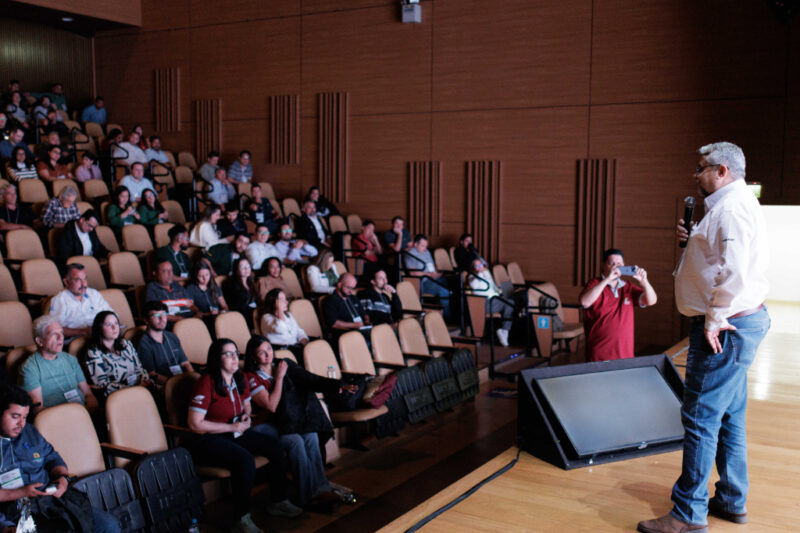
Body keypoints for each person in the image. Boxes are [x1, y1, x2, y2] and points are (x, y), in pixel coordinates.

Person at [638, 142, 771, 533]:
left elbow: (736, 272)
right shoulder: (731, 206)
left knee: (699, 417)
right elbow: (720, 260)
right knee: (729, 417)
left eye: (702, 168)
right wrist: (693, 239)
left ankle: (687, 516)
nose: (696, 174)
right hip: (740, 323)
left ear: (723, 171)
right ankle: (731, 499)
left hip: (725, 328)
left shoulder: (730, 210)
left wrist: (713, 319)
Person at [187, 339, 302, 533]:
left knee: (275, 447)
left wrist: (246, 416)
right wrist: (231, 427)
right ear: (217, 358)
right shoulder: (206, 382)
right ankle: (240, 518)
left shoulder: (238, 377)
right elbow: (195, 424)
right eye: (228, 354)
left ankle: (278, 500)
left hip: (235, 432)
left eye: (235, 354)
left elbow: (247, 404)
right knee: (245, 460)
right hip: (207, 439)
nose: (234, 358)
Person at [0, 384, 120, 532]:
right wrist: (22, 492)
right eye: (15, 417)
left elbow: (52, 458)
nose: (21, 424)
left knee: (108, 525)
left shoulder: (29, 431)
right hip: (14, 511)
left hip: (50, 501)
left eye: (24, 417)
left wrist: (63, 478)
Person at [244, 337, 342, 507]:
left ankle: (322, 488)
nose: (268, 354)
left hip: (285, 422)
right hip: (264, 425)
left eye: (269, 348)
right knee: (295, 440)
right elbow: (271, 406)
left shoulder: (279, 366)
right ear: (253, 357)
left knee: (310, 435)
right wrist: (280, 378)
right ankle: (308, 495)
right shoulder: (252, 377)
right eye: (261, 352)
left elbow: (308, 379)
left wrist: (335, 385)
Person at [579, 248, 657, 362]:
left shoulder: (628, 287)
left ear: (624, 266)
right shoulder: (595, 284)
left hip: (624, 354)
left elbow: (651, 301)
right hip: (599, 354)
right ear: (604, 265)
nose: (616, 267)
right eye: (612, 264)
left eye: (619, 264)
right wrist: (607, 280)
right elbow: (584, 302)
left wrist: (644, 282)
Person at [19, 316, 99, 416]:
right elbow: (38, 410)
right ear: (40, 341)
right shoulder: (29, 369)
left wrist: (87, 411)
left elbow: (88, 394)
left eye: (61, 333)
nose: (61, 337)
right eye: (54, 334)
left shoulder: (71, 359)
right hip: (56, 420)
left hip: (84, 414)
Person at [85, 311, 151, 397]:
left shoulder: (126, 344)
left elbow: (139, 369)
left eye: (116, 323)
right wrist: (135, 389)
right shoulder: (93, 352)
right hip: (119, 396)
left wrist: (145, 380)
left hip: (141, 388)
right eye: (108, 325)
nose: (114, 327)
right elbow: (102, 385)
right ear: (99, 328)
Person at [48, 263, 114, 339]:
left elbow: (111, 315)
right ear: (66, 282)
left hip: (101, 336)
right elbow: (54, 329)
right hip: (77, 341)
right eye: (78, 280)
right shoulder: (60, 300)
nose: (84, 284)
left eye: (85, 279)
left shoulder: (94, 294)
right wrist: (84, 331)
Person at [137, 301, 194, 386]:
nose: (162, 319)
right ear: (146, 320)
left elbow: (185, 363)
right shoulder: (144, 344)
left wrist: (193, 378)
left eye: (164, 314)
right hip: (165, 386)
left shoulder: (172, 336)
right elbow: (152, 374)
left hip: (183, 379)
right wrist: (174, 385)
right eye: (156, 316)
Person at [468, 259, 515, 347]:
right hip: (484, 303)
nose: (479, 267)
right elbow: (474, 286)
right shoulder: (472, 277)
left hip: (494, 298)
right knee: (508, 304)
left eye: (480, 265)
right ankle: (504, 330)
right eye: (477, 266)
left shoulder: (487, 273)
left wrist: (499, 291)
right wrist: (480, 273)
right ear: (473, 268)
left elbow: (492, 286)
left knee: (510, 302)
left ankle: (504, 331)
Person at [403, 234, 451, 319]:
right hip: (423, 281)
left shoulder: (427, 252)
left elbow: (431, 266)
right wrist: (429, 275)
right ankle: (448, 318)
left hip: (432, 277)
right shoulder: (410, 254)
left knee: (453, 283)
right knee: (444, 291)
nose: (425, 248)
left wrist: (436, 273)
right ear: (416, 245)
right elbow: (412, 273)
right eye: (422, 246)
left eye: (426, 246)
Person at [260, 289, 309, 357]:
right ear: (274, 302)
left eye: (286, 299)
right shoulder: (266, 318)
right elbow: (280, 329)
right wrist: (279, 310)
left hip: (296, 348)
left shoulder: (288, 315)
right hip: (282, 351)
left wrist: (304, 341)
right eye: (282, 300)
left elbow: (299, 331)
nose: (286, 302)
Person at [322, 273, 369, 342]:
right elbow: (334, 323)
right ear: (339, 285)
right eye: (348, 287)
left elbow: (363, 313)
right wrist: (355, 325)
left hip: (360, 330)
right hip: (344, 334)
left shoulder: (353, 298)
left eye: (353, 288)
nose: (351, 291)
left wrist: (366, 319)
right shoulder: (330, 301)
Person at [222, 257, 259, 330]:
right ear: (236, 270)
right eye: (243, 267)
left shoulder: (250, 282)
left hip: (253, 312)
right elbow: (238, 306)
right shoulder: (230, 284)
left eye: (248, 266)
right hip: (242, 315)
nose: (246, 269)